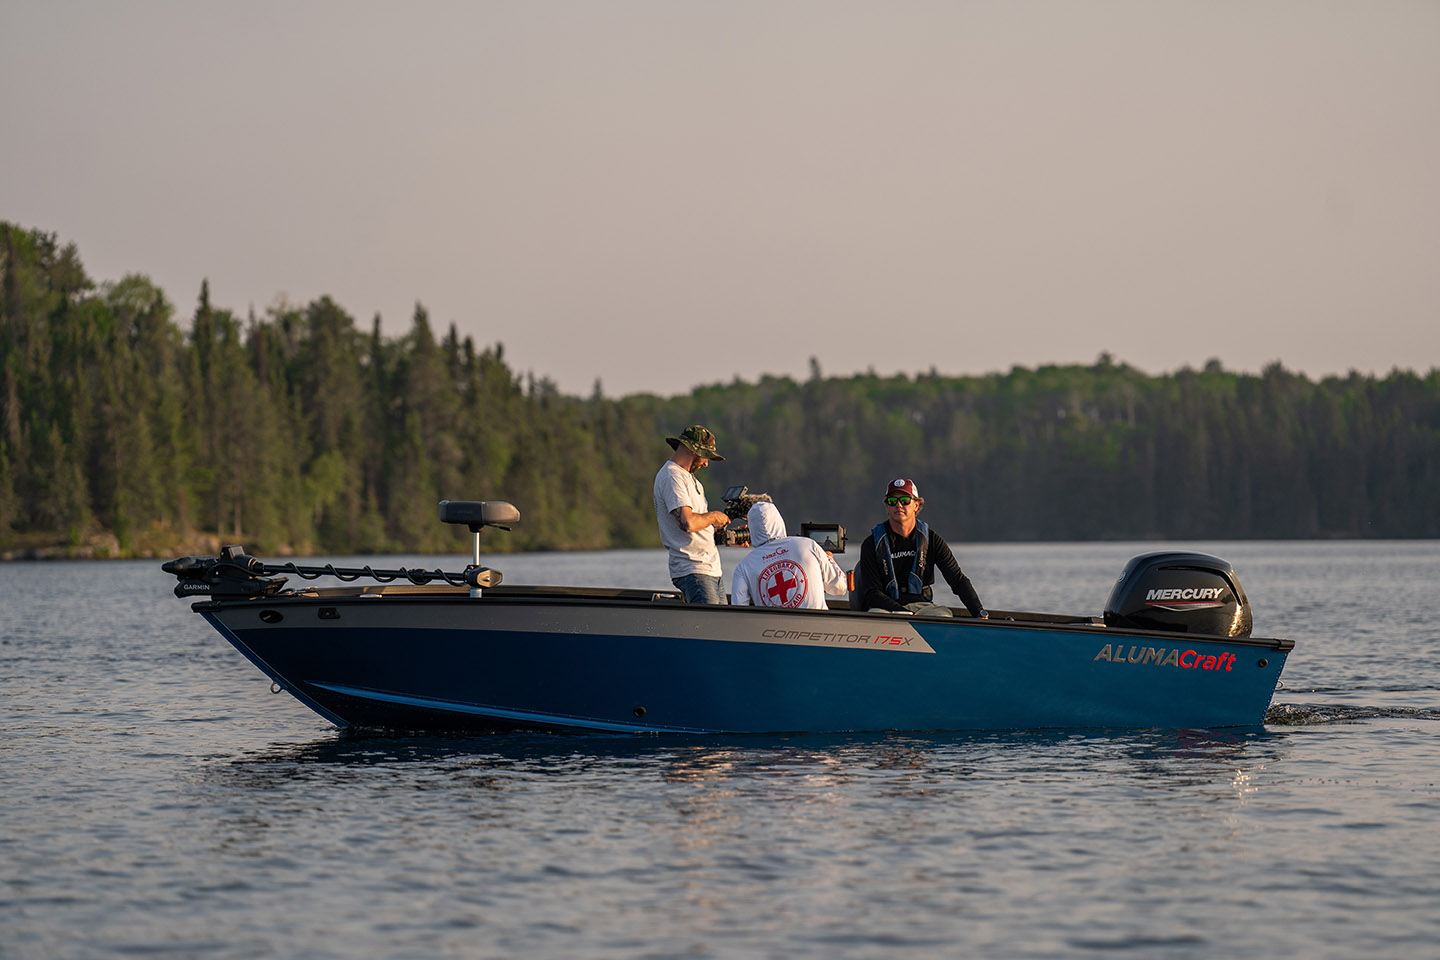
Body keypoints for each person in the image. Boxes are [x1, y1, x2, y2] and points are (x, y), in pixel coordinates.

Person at [856, 478, 988, 618]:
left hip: (923, 607)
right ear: (887, 507)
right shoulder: (870, 544)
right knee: (876, 617)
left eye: (905, 500)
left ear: (916, 505)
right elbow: (872, 593)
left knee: (943, 617)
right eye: (892, 501)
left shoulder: (932, 540)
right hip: (885, 608)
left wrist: (978, 611)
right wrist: (902, 612)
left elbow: (958, 580)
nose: (898, 505)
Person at [653, 424, 731, 604]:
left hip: (710, 570)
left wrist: (730, 538)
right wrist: (713, 516)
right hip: (694, 570)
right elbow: (687, 523)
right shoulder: (672, 476)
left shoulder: (689, 479)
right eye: (706, 457)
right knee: (710, 629)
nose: (705, 463)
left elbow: (699, 528)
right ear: (694, 451)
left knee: (720, 628)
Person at [731, 501, 848, 609]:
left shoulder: (743, 567)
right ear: (779, 521)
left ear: (751, 529)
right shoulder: (808, 545)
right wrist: (829, 558)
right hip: (817, 627)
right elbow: (840, 588)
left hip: (771, 630)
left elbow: (738, 612)